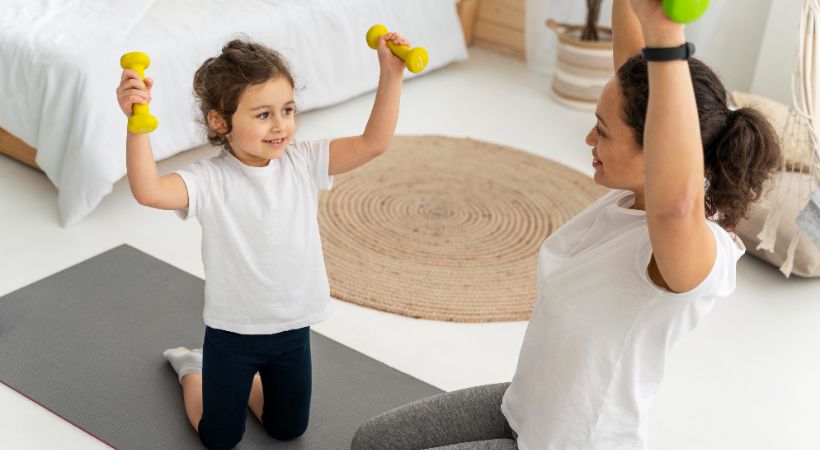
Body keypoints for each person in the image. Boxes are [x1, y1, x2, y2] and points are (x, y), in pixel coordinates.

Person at [351, 1, 782, 449]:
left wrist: (664, 30)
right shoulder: (637, 192)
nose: (589, 139)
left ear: (656, 149)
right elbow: (631, 61)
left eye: (603, 131)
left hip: (561, 443)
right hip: (525, 406)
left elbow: (676, 204)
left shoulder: (686, 248)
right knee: (370, 442)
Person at [115, 32, 409, 449]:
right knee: (220, 439)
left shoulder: (303, 161)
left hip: (292, 330)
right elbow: (148, 190)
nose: (281, 125)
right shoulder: (210, 179)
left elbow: (373, 144)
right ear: (221, 122)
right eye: (264, 114)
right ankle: (192, 369)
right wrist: (136, 120)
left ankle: (239, 383)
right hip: (233, 336)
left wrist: (391, 74)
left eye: (287, 110)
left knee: (288, 429)